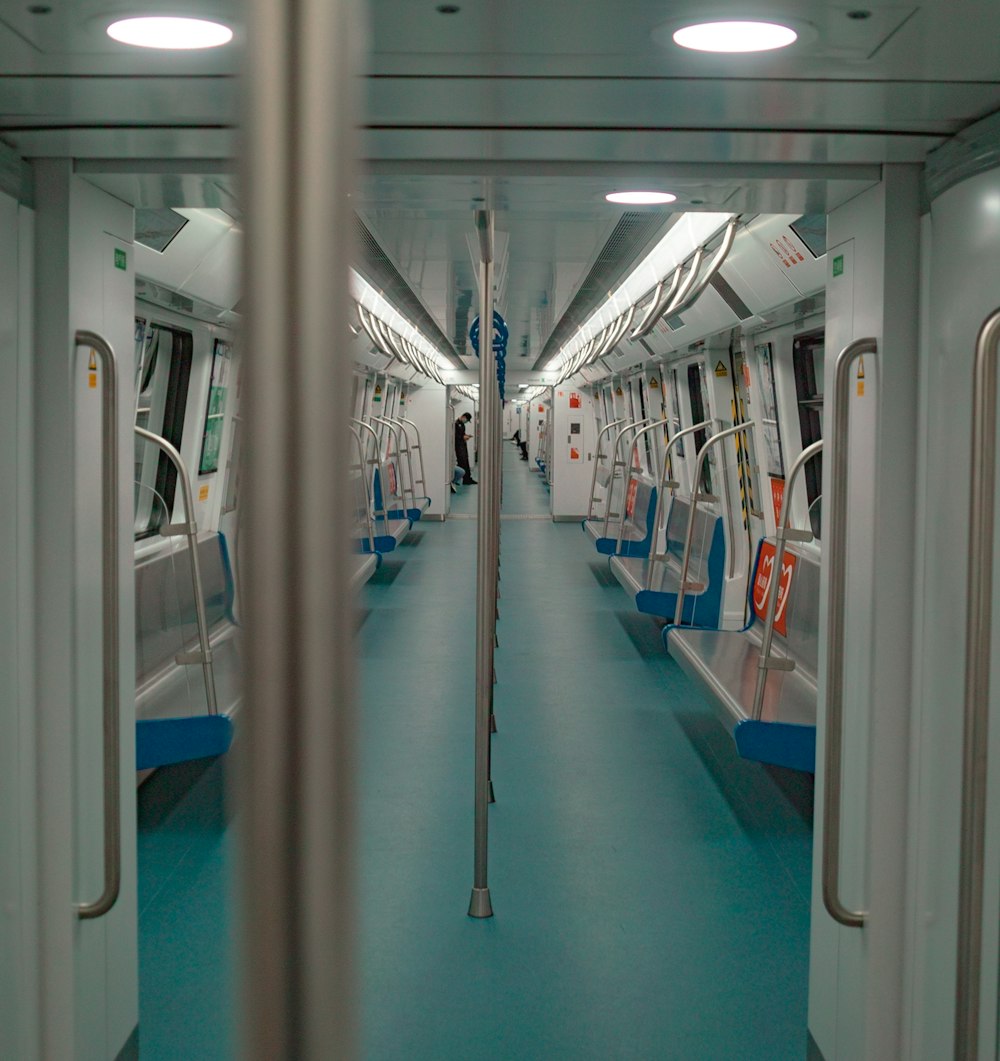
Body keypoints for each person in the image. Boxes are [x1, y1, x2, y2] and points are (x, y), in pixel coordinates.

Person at [454, 412, 477, 485]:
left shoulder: (462, 425)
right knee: (462, 463)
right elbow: (456, 436)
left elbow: (462, 434)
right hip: (458, 447)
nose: (466, 421)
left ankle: (468, 479)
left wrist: (466, 436)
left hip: (463, 446)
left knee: (466, 462)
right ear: (463, 417)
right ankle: (461, 479)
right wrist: (463, 437)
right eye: (466, 420)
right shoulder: (456, 424)